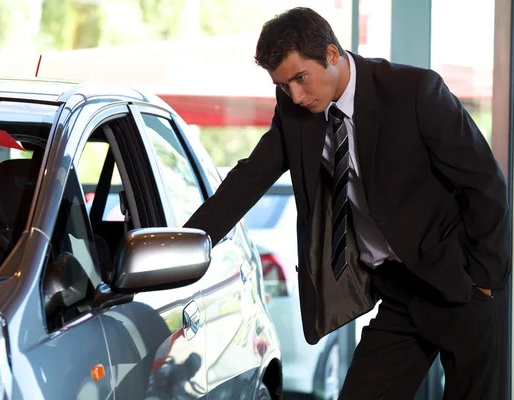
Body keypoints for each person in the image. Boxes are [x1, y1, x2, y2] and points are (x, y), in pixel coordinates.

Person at [184, 6, 510, 400]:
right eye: (284, 85)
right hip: (399, 291)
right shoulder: (296, 110)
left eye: (300, 79)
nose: (295, 96)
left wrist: (484, 282)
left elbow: (485, 184)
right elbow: (250, 178)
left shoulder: (415, 91)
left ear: (332, 54)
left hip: (459, 284)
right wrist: (187, 242)